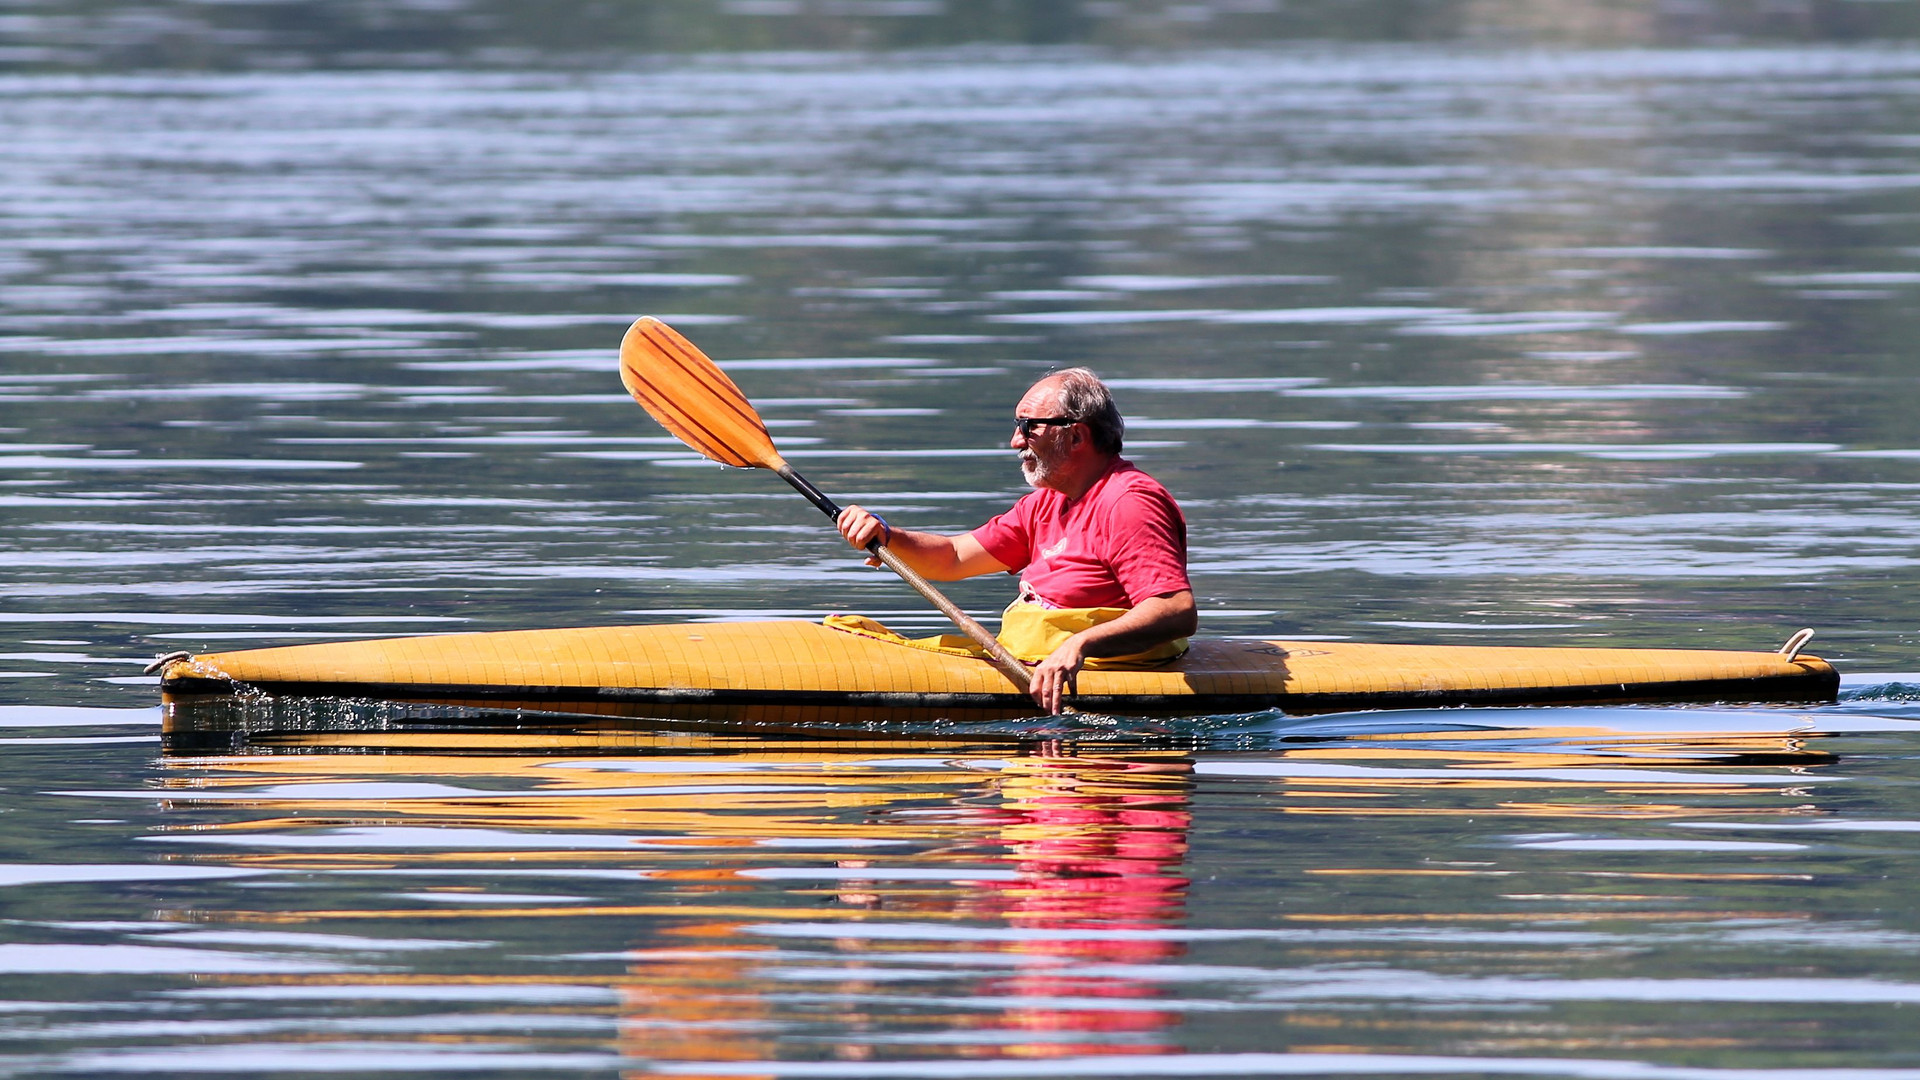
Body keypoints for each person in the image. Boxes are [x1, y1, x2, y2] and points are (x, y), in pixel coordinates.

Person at [837, 368, 1197, 715]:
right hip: (1030, 660)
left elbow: (1174, 611)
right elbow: (953, 557)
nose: (1016, 441)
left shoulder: (1129, 503)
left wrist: (1079, 644)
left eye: (1029, 427)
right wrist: (886, 535)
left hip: (1103, 674)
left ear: (1076, 437)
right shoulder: (1045, 502)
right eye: (1016, 426)